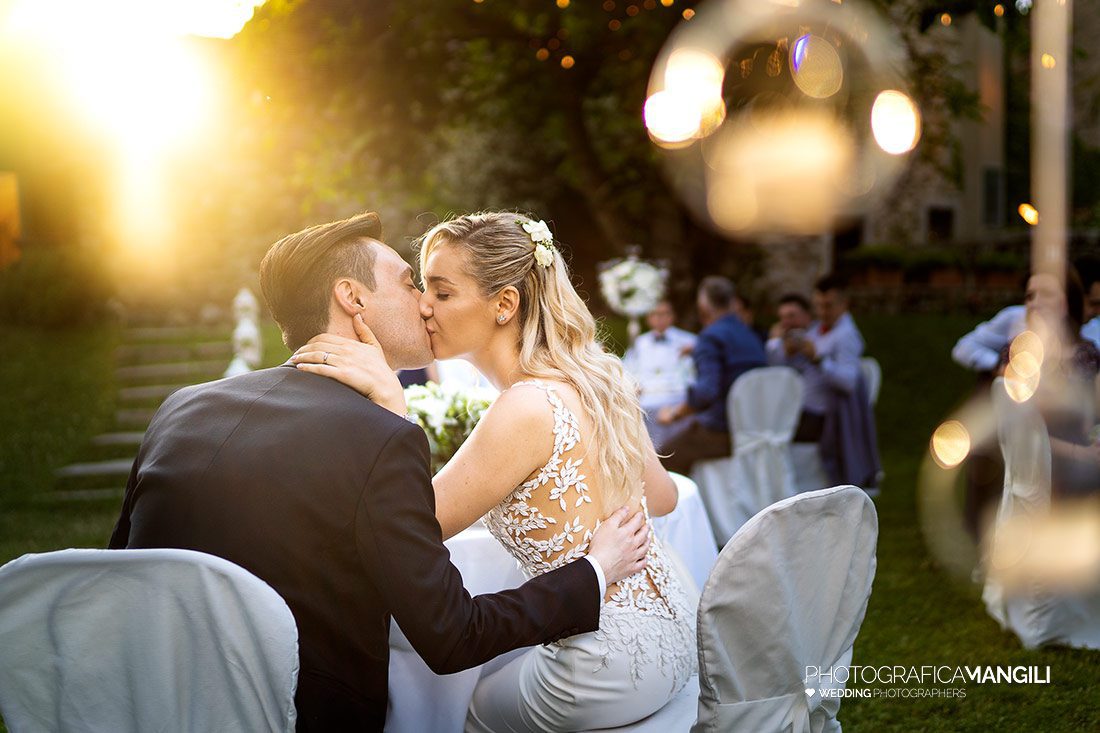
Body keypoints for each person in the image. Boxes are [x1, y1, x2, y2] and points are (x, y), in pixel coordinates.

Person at [108, 212, 652, 732]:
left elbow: (118, 570)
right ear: (352, 298)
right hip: (301, 713)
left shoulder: (180, 407)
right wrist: (593, 573)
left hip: (148, 700)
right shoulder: (379, 438)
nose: (425, 303)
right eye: (411, 282)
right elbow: (452, 637)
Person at [294, 212, 695, 732]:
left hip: (607, 661)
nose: (422, 305)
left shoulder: (525, 406)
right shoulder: (598, 380)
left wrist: (394, 407)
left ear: (504, 304)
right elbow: (662, 499)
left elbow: (416, 526)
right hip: (675, 625)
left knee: (463, 714)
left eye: (441, 292)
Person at [997, 268, 1100, 499]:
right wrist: (1079, 452)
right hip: (1035, 484)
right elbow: (1018, 433)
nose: (1034, 302)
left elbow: (1093, 418)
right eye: (1029, 296)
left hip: (1084, 480)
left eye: (1045, 293)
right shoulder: (1016, 356)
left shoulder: (1088, 353)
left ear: (1067, 301)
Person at [771, 275, 880, 489]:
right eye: (818, 306)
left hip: (826, 417)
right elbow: (788, 366)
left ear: (843, 304)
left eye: (828, 306)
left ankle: (784, 491)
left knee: (772, 428)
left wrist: (819, 359)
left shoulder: (847, 335)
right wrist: (787, 349)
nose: (822, 312)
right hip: (806, 410)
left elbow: (848, 382)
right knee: (771, 420)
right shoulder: (818, 329)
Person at [655, 276, 766, 475]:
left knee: (660, 460)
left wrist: (674, 414)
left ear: (703, 305)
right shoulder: (749, 334)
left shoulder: (710, 337)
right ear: (733, 302)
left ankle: (687, 504)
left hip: (723, 432)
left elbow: (706, 393)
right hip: (756, 429)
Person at [621, 299, 696, 450]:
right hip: (647, 399)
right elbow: (627, 371)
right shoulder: (639, 343)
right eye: (655, 314)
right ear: (649, 318)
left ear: (672, 316)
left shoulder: (689, 341)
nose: (660, 318)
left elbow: (693, 375)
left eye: (664, 314)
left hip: (676, 399)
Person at [765, 292, 820, 441]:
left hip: (812, 411)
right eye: (782, 318)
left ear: (807, 316)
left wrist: (812, 354)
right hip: (789, 409)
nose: (786, 323)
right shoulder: (784, 343)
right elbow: (771, 372)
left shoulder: (818, 338)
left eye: (791, 316)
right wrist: (776, 344)